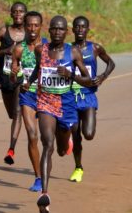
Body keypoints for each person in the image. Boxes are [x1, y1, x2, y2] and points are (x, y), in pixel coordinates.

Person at [25, 15, 92, 212]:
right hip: (45, 103)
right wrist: (30, 82)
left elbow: (88, 80)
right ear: (49, 30)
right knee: (48, 145)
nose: (57, 32)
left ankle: (67, 141)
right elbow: (39, 69)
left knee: (62, 150)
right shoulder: (41, 50)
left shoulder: (74, 53)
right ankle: (44, 195)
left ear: (66, 32)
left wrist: (71, 75)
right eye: (54, 29)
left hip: (67, 105)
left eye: (61, 29)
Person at [69, 16, 115, 183]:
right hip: (71, 97)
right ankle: (78, 167)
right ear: (73, 30)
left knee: (88, 134)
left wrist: (102, 76)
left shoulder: (95, 48)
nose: (80, 30)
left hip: (88, 96)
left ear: (88, 30)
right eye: (77, 27)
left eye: (83, 27)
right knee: (76, 136)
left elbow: (111, 63)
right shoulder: (68, 49)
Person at [10, 11, 47, 192]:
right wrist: (14, 74)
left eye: (36, 25)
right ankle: (38, 177)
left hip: (48, 97)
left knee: (51, 141)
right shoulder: (18, 49)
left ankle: (67, 137)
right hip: (28, 97)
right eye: (29, 25)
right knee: (33, 135)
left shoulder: (49, 46)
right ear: (24, 27)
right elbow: (13, 76)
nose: (32, 29)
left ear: (41, 26)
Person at [0, 2, 27, 165]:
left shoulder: (30, 34)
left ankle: (11, 150)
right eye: (15, 12)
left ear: (25, 14)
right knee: (12, 114)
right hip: (5, 80)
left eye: (21, 11)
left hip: (21, 79)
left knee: (17, 113)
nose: (18, 14)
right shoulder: (4, 32)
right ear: (11, 14)